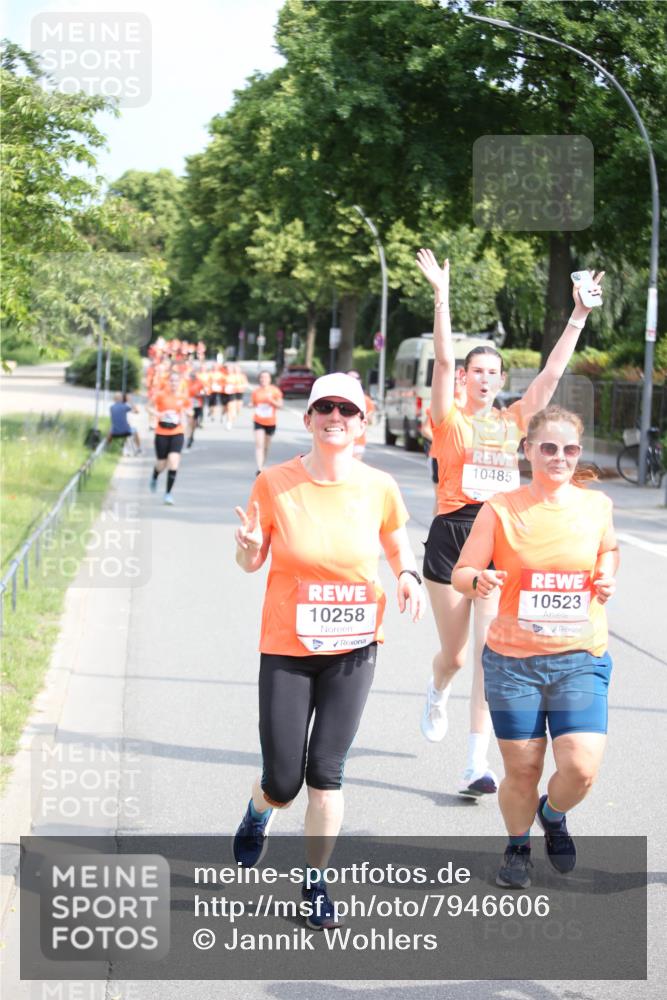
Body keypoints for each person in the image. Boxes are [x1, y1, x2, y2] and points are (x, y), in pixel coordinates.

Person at [232, 373, 426, 928]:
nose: (335, 416)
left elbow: (395, 539)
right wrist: (246, 550)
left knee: (326, 772)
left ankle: (316, 881)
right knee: (284, 782)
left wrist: (408, 574)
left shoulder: (379, 485)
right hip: (287, 648)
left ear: (363, 420)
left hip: (355, 647)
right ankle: (258, 808)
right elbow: (253, 560)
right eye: (325, 407)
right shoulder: (274, 482)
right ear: (309, 418)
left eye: (347, 408)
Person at [415, 248, 604, 799]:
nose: (483, 378)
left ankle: (475, 762)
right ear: (466, 379)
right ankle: (435, 688)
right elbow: (442, 363)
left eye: (493, 372)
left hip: (499, 534)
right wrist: (442, 297)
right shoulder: (448, 419)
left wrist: (578, 316)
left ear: (500, 380)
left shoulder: (514, 419)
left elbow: (550, 374)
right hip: (452, 536)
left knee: (485, 652)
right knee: (453, 655)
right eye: (476, 371)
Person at [451, 405, 618, 887]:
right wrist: (479, 580)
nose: (559, 457)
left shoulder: (596, 506)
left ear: (579, 453)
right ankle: (518, 847)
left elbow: (608, 549)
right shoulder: (501, 508)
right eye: (548, 447)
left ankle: (554, 812)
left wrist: (606, 575)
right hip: (513, 663)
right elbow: (462, 573)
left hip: (578, 658)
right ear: (528, 452)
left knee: (581, 768)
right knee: (522, 768)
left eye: (569, 449)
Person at [150, 369, 190, 505]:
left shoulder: (183, 397)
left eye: (176, 381)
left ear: (180, 383)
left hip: (177, 432)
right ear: (168, 382)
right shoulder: (161, 395)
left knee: (173, 461)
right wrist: (158, 414)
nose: (174, 383)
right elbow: (148, 407)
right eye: (172, 381)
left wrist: (187, 413)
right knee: (162, 464)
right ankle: (155, 475)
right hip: (161, 432)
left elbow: (188, 410)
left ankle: (168, 493)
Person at [251, 370, 283, 474]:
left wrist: (271, 401)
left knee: (266, 446)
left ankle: (263, 464)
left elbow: (280, 405)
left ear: (269, 379)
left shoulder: (275, 391)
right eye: (262, 377)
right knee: (259, 444)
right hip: (258, 420)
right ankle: (259, 468)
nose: (263, 379)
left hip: (270, 422)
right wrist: (251, 405)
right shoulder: (256, 392)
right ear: (260, 379)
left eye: (266, 377)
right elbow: (254, 403)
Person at [346, 370, 375, 460]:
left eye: (356, 378)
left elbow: (370, 421)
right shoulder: (337, 399)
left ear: (360, 381)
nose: (353, 380)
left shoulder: (365, 400)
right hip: (340, 441)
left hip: (358, 441)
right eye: (350, 378)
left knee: (355, 470)